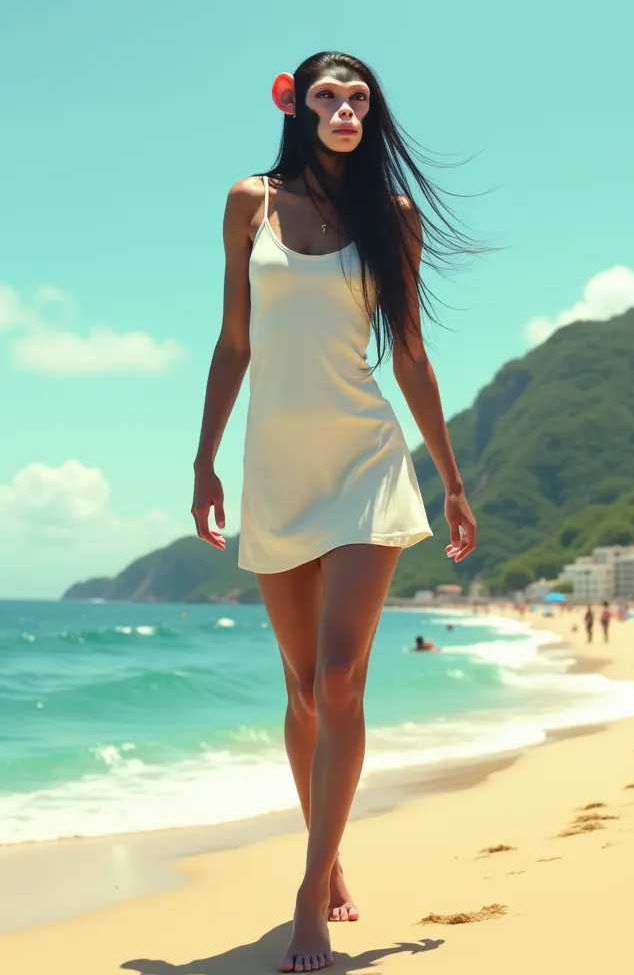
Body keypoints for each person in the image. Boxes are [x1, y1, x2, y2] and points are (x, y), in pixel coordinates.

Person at [190, 51, 477, 973]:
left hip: (363, 462)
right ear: (297, 105)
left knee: (343, 676)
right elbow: (234, 340)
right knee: (304, 688)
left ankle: (309, 894)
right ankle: (333, 850)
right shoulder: (249, 203)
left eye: (357, 97)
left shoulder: (390, 218)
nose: (343, 107)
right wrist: (203, 460)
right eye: (328, 94)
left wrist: (453, 478)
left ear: (369, 112)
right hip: (274, 469)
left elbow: (413, 358)